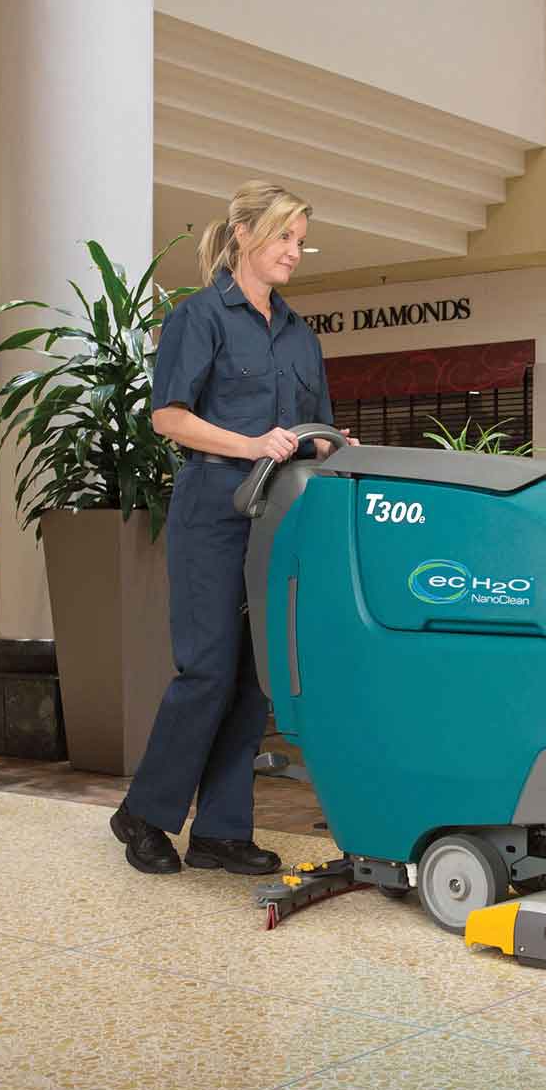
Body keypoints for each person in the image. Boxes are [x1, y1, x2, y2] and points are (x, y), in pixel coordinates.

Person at [110, 180, 353, 875]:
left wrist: (337, 447)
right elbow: (168, 417)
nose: (294, 252)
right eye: (283, 237)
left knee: (255, 677)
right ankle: (144, 814)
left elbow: (318, 429)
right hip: (214, 510)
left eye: (301, 241)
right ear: (245, 234)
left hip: (280, 516)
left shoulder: (300, 333)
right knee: (208, 669)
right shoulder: (200, 317)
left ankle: (220, 832)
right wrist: (251, 444)